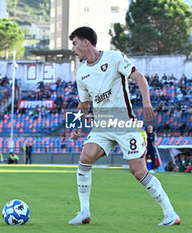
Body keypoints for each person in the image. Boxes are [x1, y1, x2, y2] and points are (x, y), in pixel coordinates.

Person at [68, 26, 180, 226]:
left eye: (75, 44)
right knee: (85, 157)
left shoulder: (114, 58)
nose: (73, 49)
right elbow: (84, 103)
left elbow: (139, 78)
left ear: (86, 43)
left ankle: (171, 214)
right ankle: (84, 211)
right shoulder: (82, 73)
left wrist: (147, 103)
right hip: (102, 125)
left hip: (124, 123)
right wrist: (75, 125)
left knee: (138, 171)